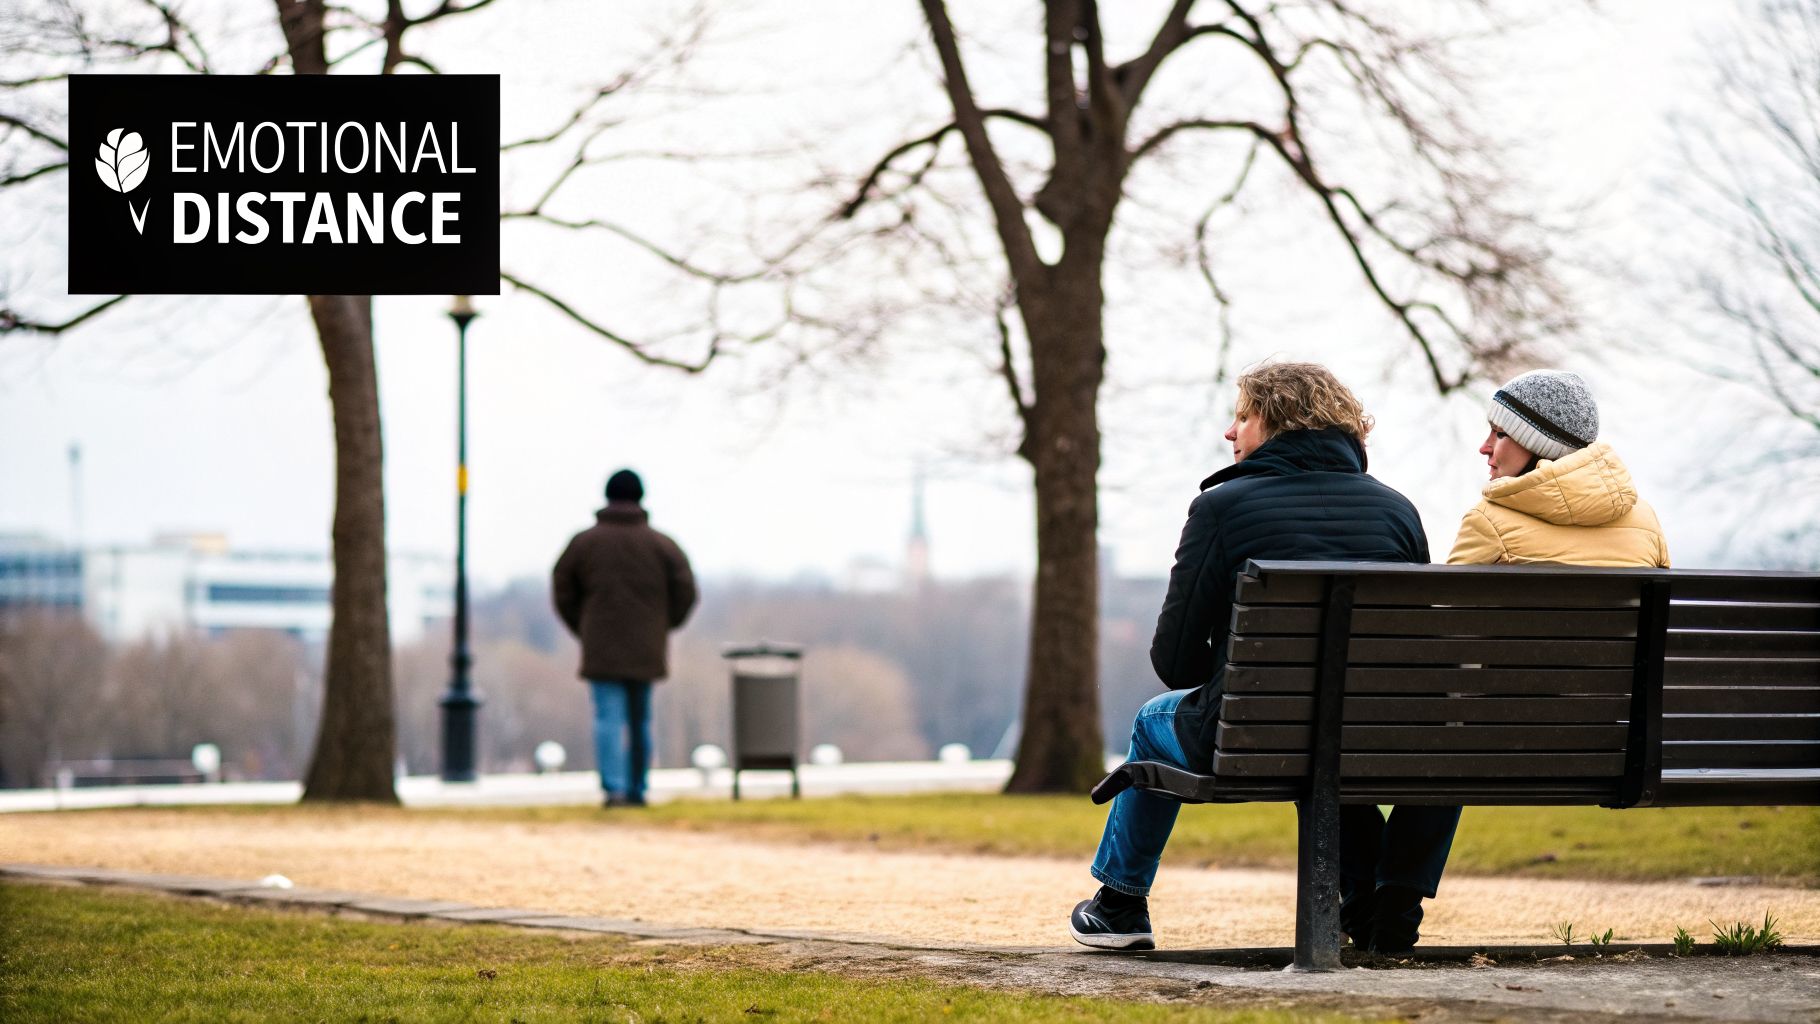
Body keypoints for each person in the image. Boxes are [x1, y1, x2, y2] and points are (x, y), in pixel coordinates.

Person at [1070, 361, 1431, 952]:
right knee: (1332, 729)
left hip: (1252, 735)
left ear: (1278, 422)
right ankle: (1364, 901)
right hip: (1370, 736)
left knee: (1152, 719)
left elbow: (1177, 664)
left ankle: (1120, 903)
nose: (1230, 433)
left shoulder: (1221, 508)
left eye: (1242, 416)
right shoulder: (1397, 511)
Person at [552, 469, 698, 807]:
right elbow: (686, 591)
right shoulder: (662, 545)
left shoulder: (584, 544)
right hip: (648, 645)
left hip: (600, 645)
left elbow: (562, 589)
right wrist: (665, 625)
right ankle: (638, 788)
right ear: (641, 497)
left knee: (607, 718)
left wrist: (582, 627)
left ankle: (613, 789)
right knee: (640, 719)